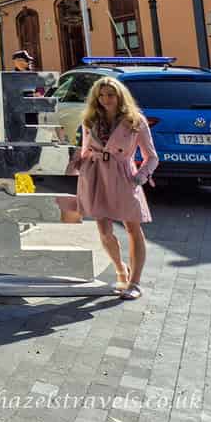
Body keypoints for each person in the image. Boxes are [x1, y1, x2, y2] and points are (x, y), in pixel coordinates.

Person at [76, 77, 158, 301]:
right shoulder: (90, 120)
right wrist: (79, 166)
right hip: (95, 174)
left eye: (110, 95)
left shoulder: (135, 120)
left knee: (133, 229)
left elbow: (152, 157)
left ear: (120, 96)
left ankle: (135, 282)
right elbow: (84, 151)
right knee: (104, 230)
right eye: (101, 95)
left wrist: (140, 177)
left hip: (124, 176)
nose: (105, 100)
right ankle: (121, 270)